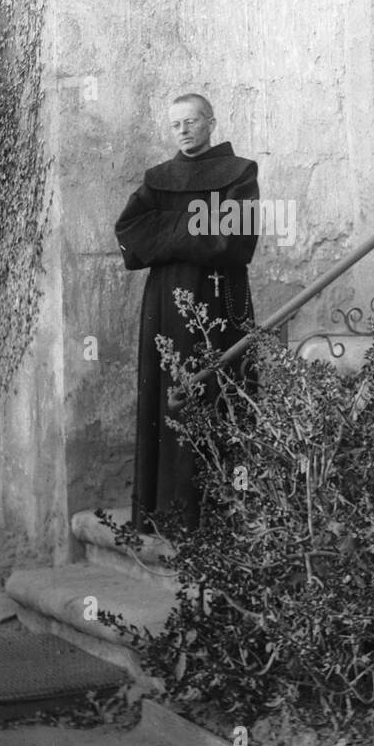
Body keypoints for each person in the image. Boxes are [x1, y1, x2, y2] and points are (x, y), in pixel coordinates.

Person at [115, 93, 259, 532]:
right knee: (169, 396)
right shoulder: (158, 179)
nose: (183, 130)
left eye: (192, 121)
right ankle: (167, 512)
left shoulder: (240, 173)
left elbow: (233, 238)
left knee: (218, 391)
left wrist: (167, 231)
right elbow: (129, 233)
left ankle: (220, 514)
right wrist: (195, 224)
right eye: (175, 123)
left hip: (219, 300)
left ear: (211, 123)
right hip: (164, 305)